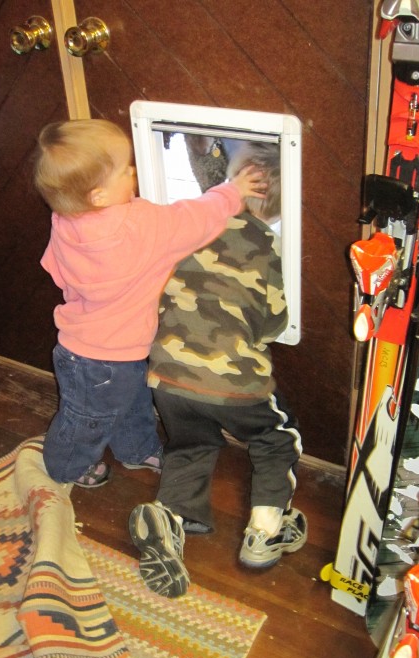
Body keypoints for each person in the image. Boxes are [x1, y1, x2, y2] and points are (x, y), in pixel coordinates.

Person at [33, 119, 266, 488]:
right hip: (102, 358)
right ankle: (65, 465)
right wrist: (232, 191)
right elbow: (195, 218)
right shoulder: (141, 226)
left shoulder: (64, 220)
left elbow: (56, 271)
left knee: (131, 402)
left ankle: (137, 449)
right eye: (125, 170)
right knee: (85, 420)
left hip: (91, 350)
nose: (134, 172)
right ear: (98, 196)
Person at [129, 142, 307, 598]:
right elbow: (275, 322)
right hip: (234, 383)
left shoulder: (191, 224)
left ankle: (172, 517)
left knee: (190, 442)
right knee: (275, 438)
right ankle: (264, 534)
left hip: (166, 375)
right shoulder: (267, 245)